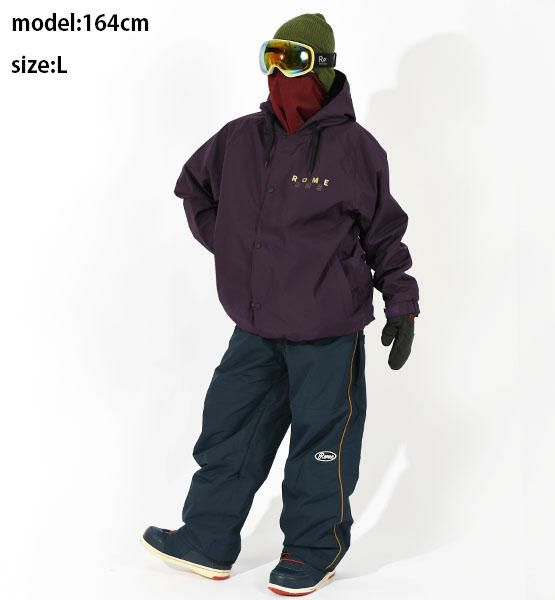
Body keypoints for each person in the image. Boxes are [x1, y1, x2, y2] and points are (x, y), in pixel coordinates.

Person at [141, 13, 419, 596]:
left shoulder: (356, 150)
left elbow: (384, 234)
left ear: (322, 68)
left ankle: (312, 551)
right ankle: (208, 539)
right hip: (256, 324)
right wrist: (233, 247)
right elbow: (194, 188)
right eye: (270, 56)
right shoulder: (240, 138)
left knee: (322, 447)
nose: (277, 73)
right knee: (229, 430)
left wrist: (401, 302)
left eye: (292, 60)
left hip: (327, 330)